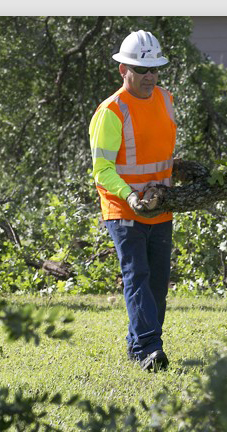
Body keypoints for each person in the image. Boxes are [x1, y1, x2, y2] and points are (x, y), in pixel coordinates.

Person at [88, 30, 177, 371]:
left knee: (156, 283)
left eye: (154, 69)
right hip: (122, 208)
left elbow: (161, 154)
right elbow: (102, 170)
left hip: (160, 208)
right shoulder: (111, 111)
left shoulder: (166, 99)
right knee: (137, 275)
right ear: (123, 70)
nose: (150, 76)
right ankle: (150, 348)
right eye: (142, 69)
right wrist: (130, 195)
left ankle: (137, 344)